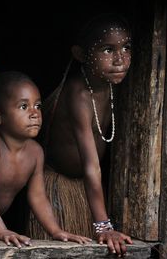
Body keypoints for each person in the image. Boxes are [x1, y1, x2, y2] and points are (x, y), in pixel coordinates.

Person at [27, 13, 133, 256]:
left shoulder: (111, 85)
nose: (120, 59)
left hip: (86, 192)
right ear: (80, 55)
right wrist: (103, 226)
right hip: (59, 191)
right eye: (107, 50)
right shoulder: (79, 93)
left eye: (126, 47)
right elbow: (91, 165)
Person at [0, 71, 92, 247]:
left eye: (37, 106)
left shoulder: (35, 152)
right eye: (24, 107)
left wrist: (56, 231)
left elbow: (37, 196)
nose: (34, 113)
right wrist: (0, 230)